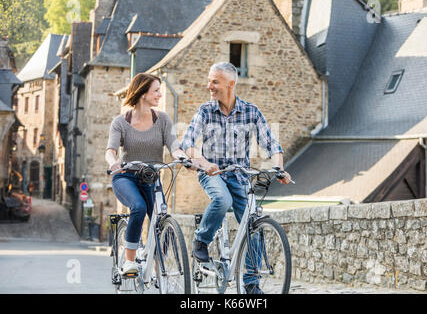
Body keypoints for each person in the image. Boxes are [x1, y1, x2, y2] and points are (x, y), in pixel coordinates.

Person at [181, 62, 291, 294]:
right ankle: (201, 240)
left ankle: (251, 284)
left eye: (214, 82)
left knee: (254, 225)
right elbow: (188, 144)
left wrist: (278, 168)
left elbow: (272, 145)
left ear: (231, 84)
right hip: (212, 174)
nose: (208, 86)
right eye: (209, 80)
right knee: (222, 200)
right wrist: (204, 163)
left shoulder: (251, 111)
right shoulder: (205, 111)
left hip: (240, 178)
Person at [106, 73, 187, 275]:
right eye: (156, 90)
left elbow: (173, 143)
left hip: (151, 178)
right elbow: (111, 150)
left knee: (162, 218)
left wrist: (182, 155)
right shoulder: (120, 122)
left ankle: (160, 267)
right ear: (143, 92)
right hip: (126, 176)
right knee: (139, 207)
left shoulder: (162, 120)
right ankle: (129, 261)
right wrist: (113, 163)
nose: (160, 94)